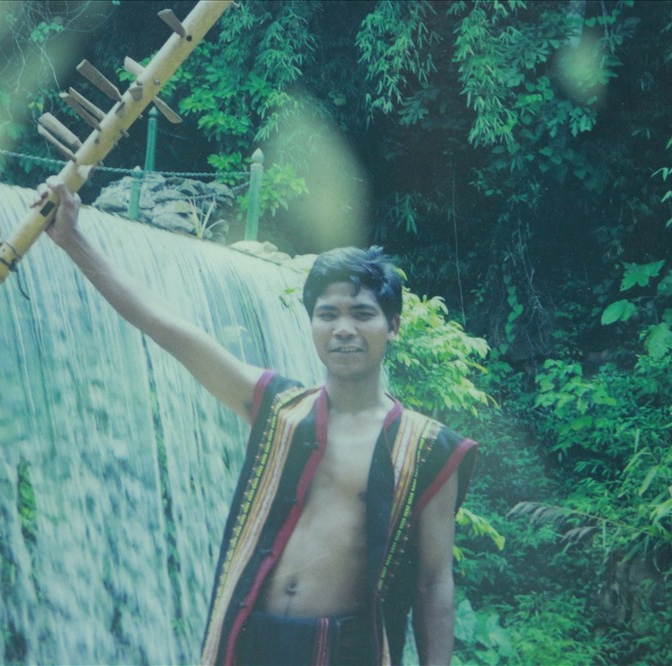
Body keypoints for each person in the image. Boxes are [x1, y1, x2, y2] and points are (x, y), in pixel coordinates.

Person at [41, 181, 477, 666]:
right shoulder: (279, 409)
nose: (343, 329)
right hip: (252, 641)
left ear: (392, 326)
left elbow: (433, 585)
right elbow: (169, 330)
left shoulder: (426, 448)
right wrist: (74, 241)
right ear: (311, 324)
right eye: (327, 314)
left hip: (346, 650)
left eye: (362, 314)